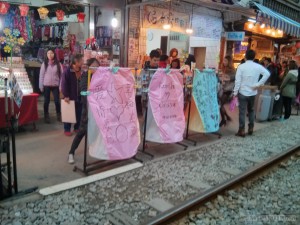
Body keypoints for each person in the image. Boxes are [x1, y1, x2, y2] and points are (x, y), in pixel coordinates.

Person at [68, 58, 100, 164]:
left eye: (97, 66)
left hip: (98, 111)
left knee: (99, 132)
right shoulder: (85, 77)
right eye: (94, 66)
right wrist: (91, 96)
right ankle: (71, 153)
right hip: (87, 110)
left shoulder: (100, 77)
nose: (96, 68)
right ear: (89, 67)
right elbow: (83, 93)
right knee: (81, 131)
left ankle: (99, 151)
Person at [233, 50, 270, 137]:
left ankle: (241, 130)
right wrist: (258, 84)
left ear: (245, 56)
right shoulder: (258, 66)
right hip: (253, 92)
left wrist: (235, 92)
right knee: (251, 110)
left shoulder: (241, 67)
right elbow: (267, 74)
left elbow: (237, 81)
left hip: (242, 92)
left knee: (242, 112)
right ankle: (251, 128)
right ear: (254, 57)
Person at [61, 54, 84, 136]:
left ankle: (76, 128)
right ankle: (67, 129)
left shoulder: (82, 71)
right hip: (70, 96)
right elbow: (64, 84)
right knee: (69, 113)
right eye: (81, 60)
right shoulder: (67, 71)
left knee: (79, 113)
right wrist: (66, 95)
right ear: (76, 62)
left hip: (80, 95)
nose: (83, 62)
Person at [39, 49, 63, 123]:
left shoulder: (58, 64)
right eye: (48, 53)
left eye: (51, 53)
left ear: (54, 54)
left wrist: (60, 86)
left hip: (56, 85)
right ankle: (46, 116)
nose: (50, 55)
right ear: (46, 55)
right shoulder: (44, 64)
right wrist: (41, 86)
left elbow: (62, 76)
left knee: (57, 101)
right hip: (46, 85)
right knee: (46, 101)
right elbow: (41, 75)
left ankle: (58, 114)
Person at [219, 56, 235, 127]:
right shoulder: (224, 69)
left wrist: (222, 77)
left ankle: (224, 119)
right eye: (224, 60)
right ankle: (226, 118)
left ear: (229, 62)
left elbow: (229, 78)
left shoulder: (232, 70)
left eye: (225, 61)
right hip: (224, 89)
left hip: (228, 90)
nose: (224, 62)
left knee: (220, 105)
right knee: (220, 105)